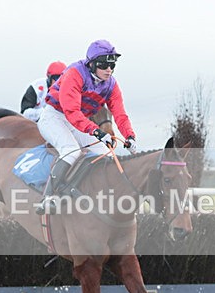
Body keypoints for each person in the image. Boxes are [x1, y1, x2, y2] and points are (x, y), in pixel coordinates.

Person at [35, 39, 138, 214]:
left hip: (77, 120)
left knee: (102, 150)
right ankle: (48, 197)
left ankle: (82, 189)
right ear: (92, 64)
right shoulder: (75, 73)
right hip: (54, 116)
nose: (109, 70)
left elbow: (120, 114)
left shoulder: (111, 84)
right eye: (104, 65)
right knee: (71, 150)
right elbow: (72, 112)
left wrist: (130, 136)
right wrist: (96, 131)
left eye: (112, 65)